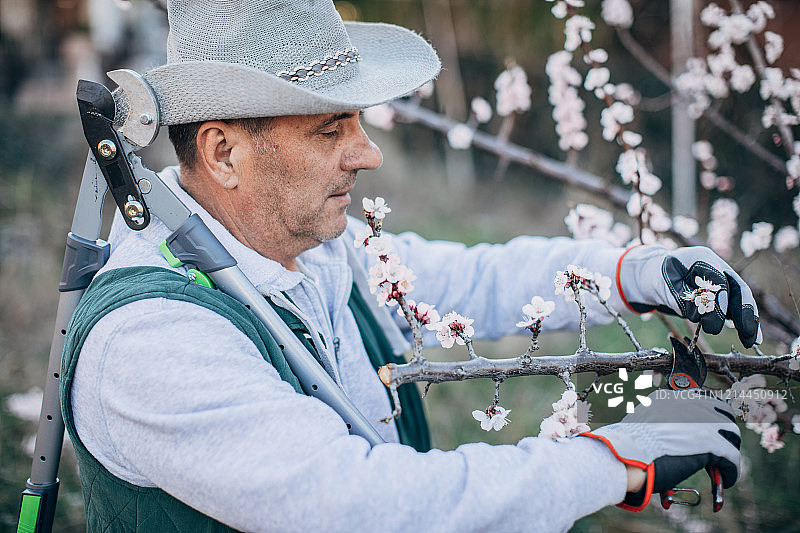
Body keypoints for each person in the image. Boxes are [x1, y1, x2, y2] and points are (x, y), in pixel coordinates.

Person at [61, 1, 756, 531]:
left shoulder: (310, 249)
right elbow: (363, 506)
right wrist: (614, 461)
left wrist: (635, 272)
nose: (368, 154)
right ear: (222, 154)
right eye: (331, 129)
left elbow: (466, 281)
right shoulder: (151, 340)